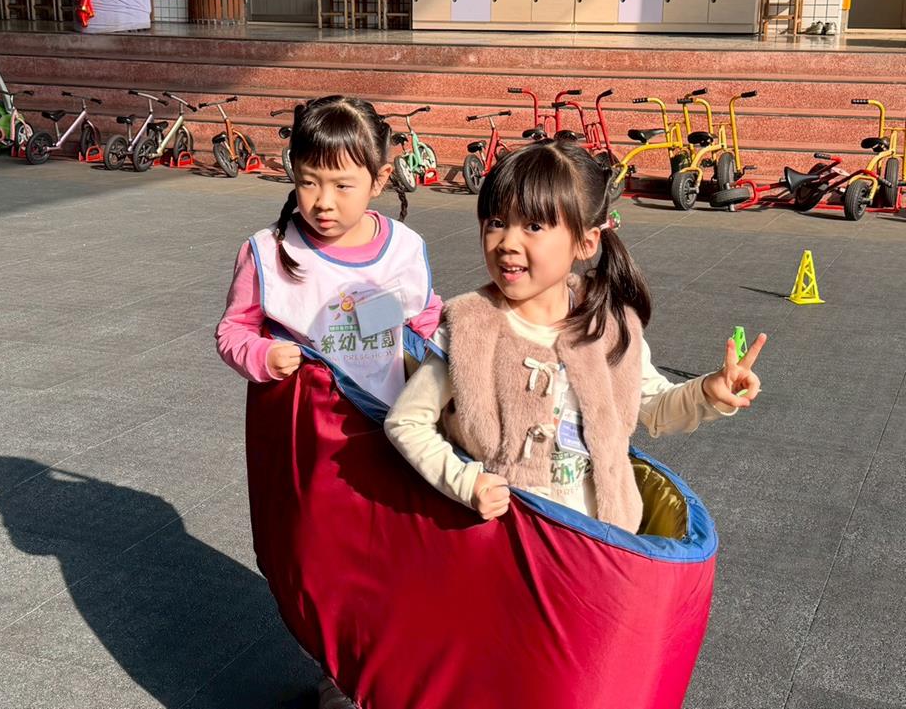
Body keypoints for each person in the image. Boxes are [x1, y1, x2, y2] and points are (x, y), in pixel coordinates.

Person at [385, 140, 765, 531]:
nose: (508, 243)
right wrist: (466, 483)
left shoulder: (608, 326)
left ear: (585, 243)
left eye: (533, 226)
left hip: (603, 538)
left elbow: (653, 407)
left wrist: (707, 393)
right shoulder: (468, 328)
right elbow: (406, 422)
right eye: (496, 222)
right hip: (513, 538)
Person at [215, 95, 443, 709]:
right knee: (321, 561)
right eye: (309, 180)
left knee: (387, 556)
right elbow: (233, 329)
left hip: (389, 433)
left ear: (380, 179)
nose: (323, 201)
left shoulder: (403, 249)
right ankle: (340, 673)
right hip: (309, 446)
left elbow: (426, 320)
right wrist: (263, 355)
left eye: (343, 185)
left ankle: (377, 669)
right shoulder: (270, 253)